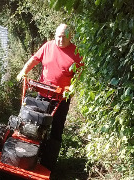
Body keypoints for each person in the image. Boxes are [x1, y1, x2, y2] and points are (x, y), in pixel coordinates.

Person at [17, 23, 83, 171]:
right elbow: (35, 59)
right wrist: (24, 70)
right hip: (44, 92)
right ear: (55, 36)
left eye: (64, 37)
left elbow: (80, 73)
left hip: (61, 97)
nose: (60, 40)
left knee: (56, 129)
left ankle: (48, 164)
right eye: (58, 37)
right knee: (35, 123)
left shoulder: (76, 52)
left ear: (70, 37)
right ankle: (28, 156)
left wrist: (73, 86)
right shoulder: (48, 46)